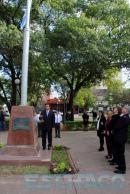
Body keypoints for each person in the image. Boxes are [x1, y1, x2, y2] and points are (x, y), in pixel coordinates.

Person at [113, 106, 130, 174]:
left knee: (121, 154)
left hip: (121, 138)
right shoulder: (123, 116)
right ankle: (120, 166)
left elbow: (118, 126)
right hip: (119, 137)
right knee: (118, 153)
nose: (122, 109)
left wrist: (114, 129)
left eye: (124, 108)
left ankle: (122, 169)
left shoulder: (126, 117)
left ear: (127, 110)